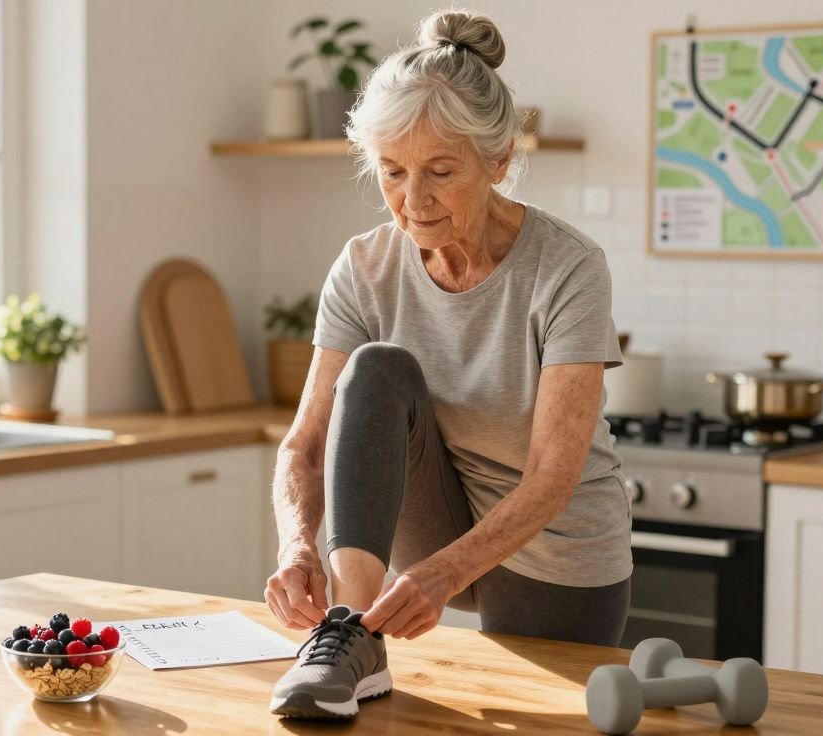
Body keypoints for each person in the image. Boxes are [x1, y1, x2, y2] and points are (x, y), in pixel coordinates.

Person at [265, 9, 633, 720]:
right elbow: (304, 446)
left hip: (551, 551)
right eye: (393, 172)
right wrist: (295, 544)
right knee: (375, 369)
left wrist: (441, 577)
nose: (414, 200)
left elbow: (555, 474)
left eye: (440, 171)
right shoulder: (366, 266)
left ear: (498, 162)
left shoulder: (568, 268)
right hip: (436, 517)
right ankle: (349, 634)